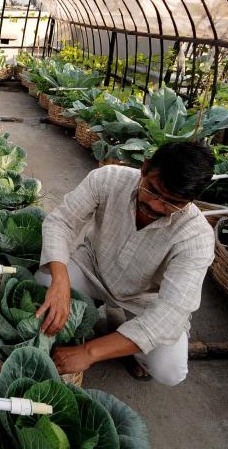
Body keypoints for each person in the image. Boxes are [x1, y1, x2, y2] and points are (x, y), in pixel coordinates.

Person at [34, 141, 215, 386]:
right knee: (44, 281)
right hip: (93, 269)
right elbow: (61, 222)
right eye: (152, 189)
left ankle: (122, 342)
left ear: (191, 201)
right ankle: (104, 320)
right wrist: (60, 280)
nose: (155, 205)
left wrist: (89, 352)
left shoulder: (196, 237)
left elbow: (170, 313)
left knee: (170, 371)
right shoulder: (108, 179)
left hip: (144, 299)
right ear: (145, 167)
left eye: (172, 202)